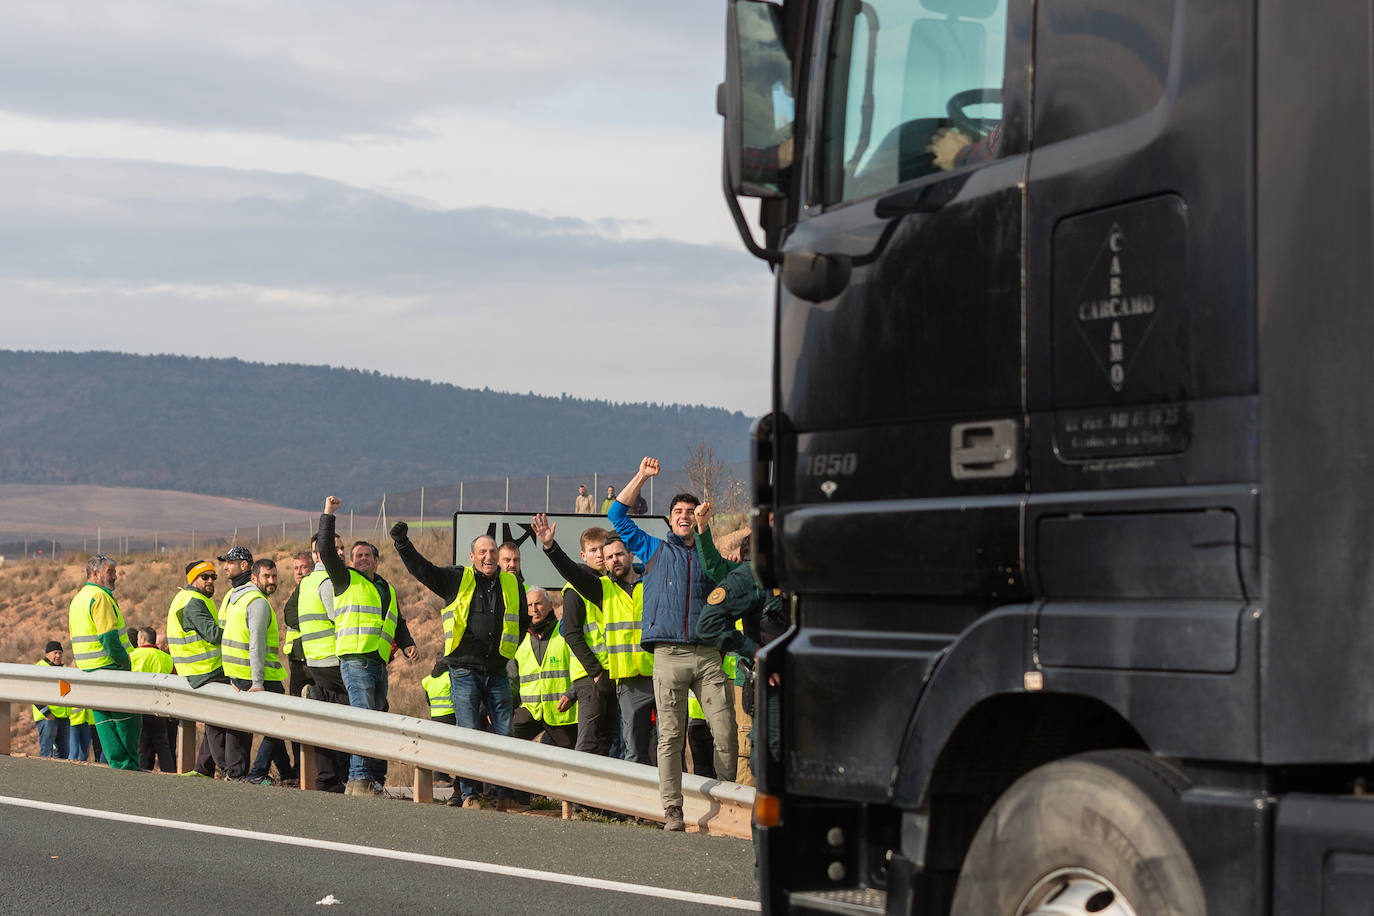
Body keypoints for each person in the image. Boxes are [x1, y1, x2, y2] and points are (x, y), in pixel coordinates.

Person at [609, 457, 738, 831]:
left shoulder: (710, 556)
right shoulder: (652, 550)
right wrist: (642, 477)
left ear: (699, 517)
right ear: (669, 519)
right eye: (678, 511)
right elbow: (617, 516)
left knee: (725, 732)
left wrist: (706, 533)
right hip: (667, 654)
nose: (684, 515)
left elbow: (735, 588)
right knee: (670, 737)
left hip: (707, 655)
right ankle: (673, 809)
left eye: (690, 511)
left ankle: (728, 800)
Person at [390, 519, 527, 810]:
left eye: (492, 551)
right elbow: (422, 570)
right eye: (483, 552)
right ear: (472, 556)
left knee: (505, 733)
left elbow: (522, 619)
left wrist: (507, 651)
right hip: (464, 671)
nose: (489, 557)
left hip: (498, 671)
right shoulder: (457, 578)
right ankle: (470, 795)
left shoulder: (513, 583)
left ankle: (504, 795)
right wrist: (403, 543)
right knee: (467, 735)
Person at [533, 518, 655, 766]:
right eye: (602, 554)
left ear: (631, 554)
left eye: (614, 553)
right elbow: (572, 628)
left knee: (641, 741)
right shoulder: (598, 588)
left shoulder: (649, 582)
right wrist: (550, 547)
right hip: (608, 677)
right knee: (609, 742)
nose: (608, 558)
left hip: (645, 674)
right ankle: (583, 801)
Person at [318, 498, 417, 797]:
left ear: (376, 560)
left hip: (378, 662)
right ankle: (359, 780)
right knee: (364, 717)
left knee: (375, 719)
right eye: (357, 555)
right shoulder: (345, 579)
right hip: (355, 660)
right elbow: (324, 550)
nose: (362, 558)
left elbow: (395, 620)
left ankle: (360, 781)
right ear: (349, 561)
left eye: (367, 555)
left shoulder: (385, 587)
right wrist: (328, 515)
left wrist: (409, 642)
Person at [223, 557, 297, 785]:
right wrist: (258, 682)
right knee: (277, 724)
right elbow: (255, 643)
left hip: (238, 674)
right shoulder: (257, 602)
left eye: (274, 576)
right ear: (254, 577)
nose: (271, 580)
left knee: (267, 725)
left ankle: (286, 773)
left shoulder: (237, 598)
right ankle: (257, 772)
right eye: (266, 576)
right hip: (259, 676)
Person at [547, 526, 616, 756]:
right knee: (588, 741)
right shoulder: (575, 589)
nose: (599, 554)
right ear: (583, 555)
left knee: (607, 741)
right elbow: (572, 633)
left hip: (611, 673)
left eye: (602, 549)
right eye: (593, 550)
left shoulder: (609, 585)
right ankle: (573, 791)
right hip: (590, 676)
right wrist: (595, 672)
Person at [68, 555, 141, 771]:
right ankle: (128, 766)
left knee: (104, 724)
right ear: (95, 574)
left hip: (88, 670)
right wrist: (124, 662)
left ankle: (118, 765)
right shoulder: (100, 597)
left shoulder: (79, 598)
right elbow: (108, 638)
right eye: (110, 572)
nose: (115, 576)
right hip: (110, 667)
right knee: (127, 720)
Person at [167, 559, 238, 779]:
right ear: (193, 580)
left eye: (213, 577)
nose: (210, 581)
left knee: (215, 719)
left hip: (197, 670)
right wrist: (239, 631)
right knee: (221, 720)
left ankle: (203, 768)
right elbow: (213, 635)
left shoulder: (186, 598)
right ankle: (228, 769)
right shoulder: (193, 602)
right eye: (204, 577)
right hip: (207, 671)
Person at [295, 531, 351, 793]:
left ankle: (329, 778)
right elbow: (338, 619)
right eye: (334, 548)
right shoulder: (327, 581)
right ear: (318, 554)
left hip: (315, 660)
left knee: (327, 719)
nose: (339, 552)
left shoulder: (307, 581)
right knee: (350, 712)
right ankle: (336, 776)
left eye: (341, 548)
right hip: (332, 658)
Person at [511, 587, 578, 752]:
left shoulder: (565, 633)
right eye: (530, 605)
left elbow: (581, 670)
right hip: (530, 712)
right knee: (500, 734)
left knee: (573, 758)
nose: (534, 609)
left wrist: (571, 694)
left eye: (539, 604)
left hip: (562, 713)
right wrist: (503, 707)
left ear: (550, 606)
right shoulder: (520, 638)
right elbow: (511, 680)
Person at [129, 627, 176, 773]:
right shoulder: (166, 658)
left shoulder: (133, 656)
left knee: (142, 745)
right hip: (160, 706)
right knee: (163, 744)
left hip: (139, 706)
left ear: (142, 639)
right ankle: (169, 772)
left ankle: (142, 771)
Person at [32, 641, 70, 759]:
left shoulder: (64, 669)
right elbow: (32, 691)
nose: (58, 656)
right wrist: (46, 713)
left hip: (63, 717)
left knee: (63, 754)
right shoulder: (41, 667)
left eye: (60, 653)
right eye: (55, 653)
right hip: (48, 718)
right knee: (47, 753)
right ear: (47, 654)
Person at [421, 658, 456, 787]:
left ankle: (440, 776)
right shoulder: (449, 676)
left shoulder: (427, 680)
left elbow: (428, 701)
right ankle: (443, 776)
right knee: (450, 747)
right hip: (450, 715)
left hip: (435, 716)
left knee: (439, 746)